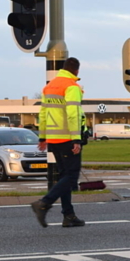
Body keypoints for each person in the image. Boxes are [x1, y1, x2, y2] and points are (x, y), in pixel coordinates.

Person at [31, 57, 87, 228]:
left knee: (64, 177)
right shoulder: (72, 87)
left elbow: (42, 114)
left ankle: (68, 215)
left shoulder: (49, 87)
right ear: (76, 71)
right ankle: (43, 203)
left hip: (53, 139)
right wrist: (76, 139)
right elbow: (73, 114)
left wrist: (42, 137)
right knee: (71, 177)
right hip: (68, 139)